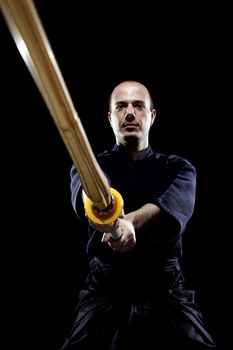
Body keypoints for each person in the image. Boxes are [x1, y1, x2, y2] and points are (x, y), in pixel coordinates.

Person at [60, 80, 217, 349]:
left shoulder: (179, 168)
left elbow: (172, 204)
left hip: (165, 290)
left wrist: (131, 221)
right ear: (111, 118)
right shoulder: (88, 167)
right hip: (105, 289)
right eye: (121, 107)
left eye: (138, 106)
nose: (129, 113)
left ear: (152, 116)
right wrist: (100, 207)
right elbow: (88, 194)